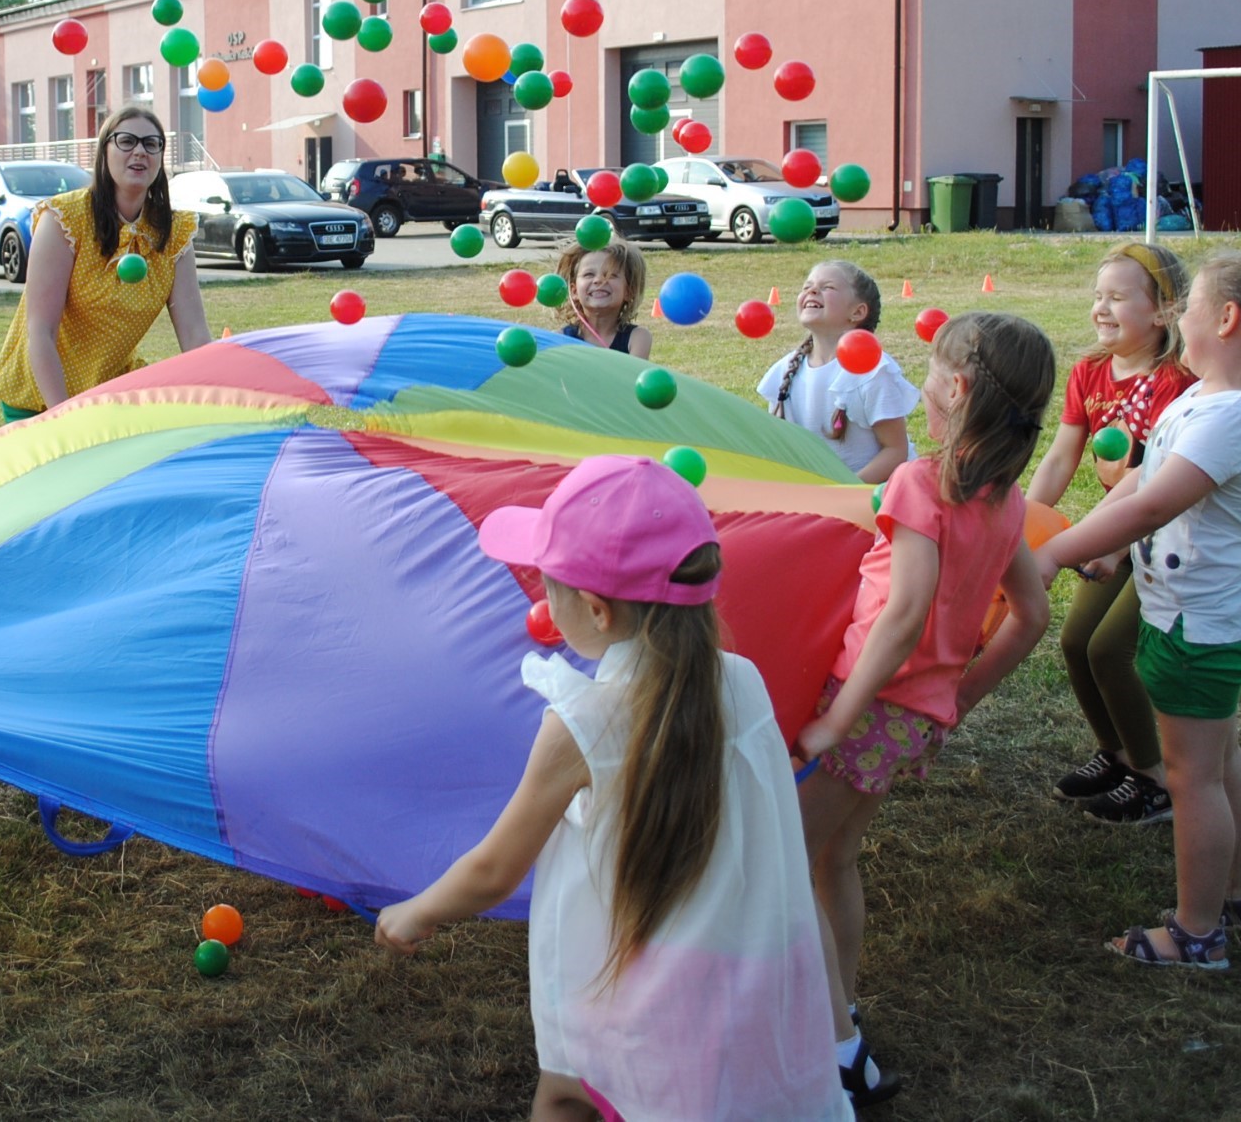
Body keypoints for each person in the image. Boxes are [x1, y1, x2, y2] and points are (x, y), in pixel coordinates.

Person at [376, 457, 849, 1122]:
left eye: (548, 582)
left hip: (637, 987)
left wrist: (416, 911)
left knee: (570, 1093)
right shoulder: (741, 682)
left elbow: (494, 868)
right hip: (743, 971)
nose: (540, 594)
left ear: (594, 610)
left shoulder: (583, 721)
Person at [1039, 254, 1241, 970]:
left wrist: (1047, 557)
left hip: (1198, 627)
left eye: (1188, 306)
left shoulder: (1231, 418)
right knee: (1220, 757)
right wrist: (1098, 547)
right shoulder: (1201, 397)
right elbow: (1140, 480)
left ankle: (1195, 932)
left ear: (1227, 318)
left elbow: (1151, 503)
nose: (1177, 318)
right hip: (1207, 612)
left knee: (1192, 778)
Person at [793, 312, 1056, 1105]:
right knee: (830, 858)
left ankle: (837, 1049)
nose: (920, 384)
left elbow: (902, 615)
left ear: (960, 388)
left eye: (931, 371)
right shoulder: (1001, 500)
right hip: (912, 715)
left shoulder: (920, 484)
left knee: (777, 861)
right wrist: (958, 699)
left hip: (866, 708)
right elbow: (1032, 615)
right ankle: (839, 1001)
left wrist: (837, 721)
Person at [1024, 243, 1195, 825]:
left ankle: (1155, 779)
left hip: (1165, 537)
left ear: (1164, 311)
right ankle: (1117, 756)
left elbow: (1158, 479)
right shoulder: (1089, 371)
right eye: (1098, 295)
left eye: (1118, 297)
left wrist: (1111, 543)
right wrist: (1022, 522)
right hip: (1115, 530)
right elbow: (1060, 458)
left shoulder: (1179, 381)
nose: (1101, 307)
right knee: (1075, 644)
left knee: (1110, 650)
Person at [0, 105, 208, 422]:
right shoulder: (64, 220)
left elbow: (195, 338)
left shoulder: (174, 234)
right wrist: (65, 421)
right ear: (104, 150)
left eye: (151, 143)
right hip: (42, 400)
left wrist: (227, 396)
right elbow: (41, 331)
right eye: (126, 141)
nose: (140, 152)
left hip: (109, 396)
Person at [757, 261, 917, 484]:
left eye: (828, 287)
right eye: (807, 286)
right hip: (817, 498)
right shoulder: (785, 371)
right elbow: (779, 446)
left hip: (874, 498)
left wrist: (845, 490)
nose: (812, 291)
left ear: (858, 311)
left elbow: (895, 450)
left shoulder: (871, 370)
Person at [555, 237, 653, 358]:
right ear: (574, 291)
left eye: (611, 275)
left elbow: (632, 375)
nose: (599, 280)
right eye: (589, 274)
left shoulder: (638, 337)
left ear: (629, 291)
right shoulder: (560, 339)